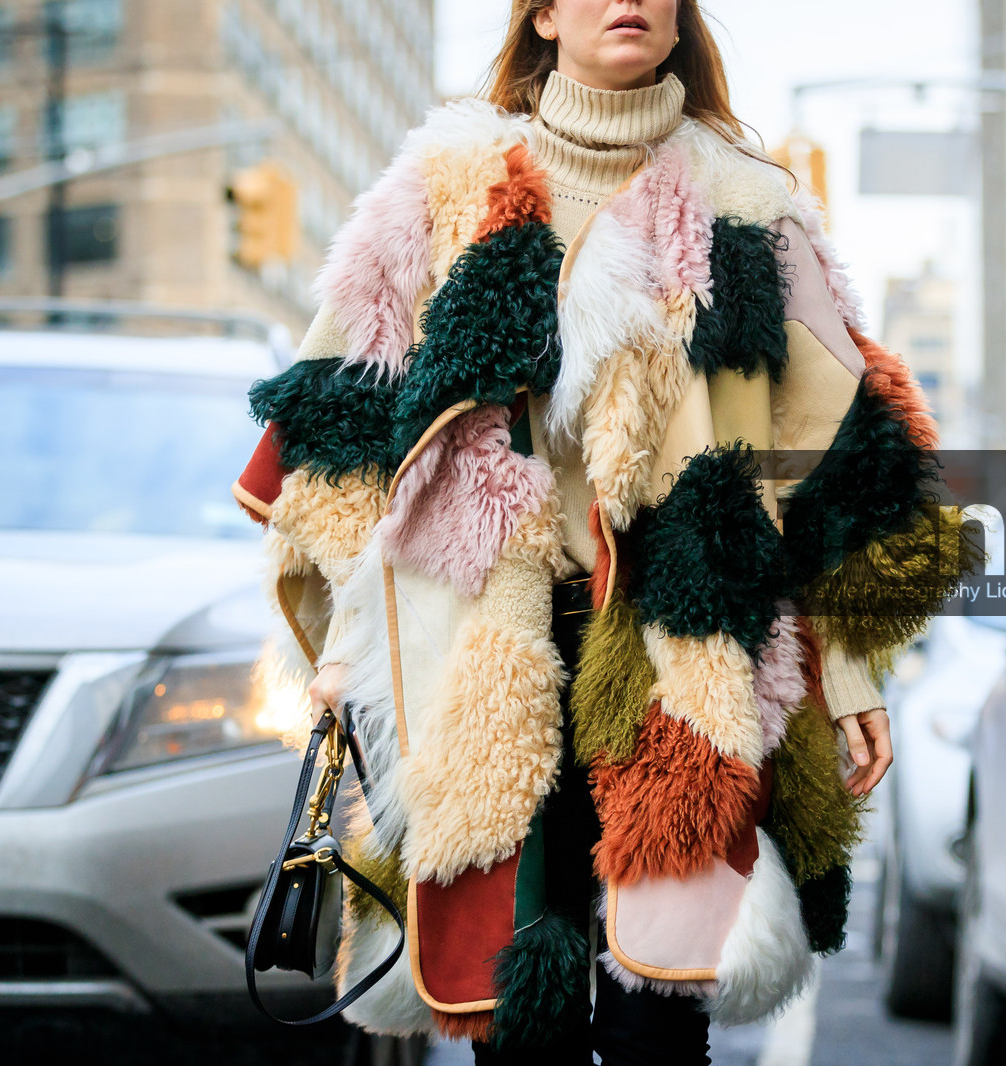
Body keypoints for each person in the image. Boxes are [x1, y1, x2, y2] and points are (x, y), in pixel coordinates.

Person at [232, 1, 967, 1062]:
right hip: (483, 648)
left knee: (658, 1016)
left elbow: (833, 456)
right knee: (515, 1013)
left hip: (683, 656)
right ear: (542, 13)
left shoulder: (748, 207)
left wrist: (847, 671)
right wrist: (351, 646)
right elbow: (340, 443)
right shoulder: (447, 189)